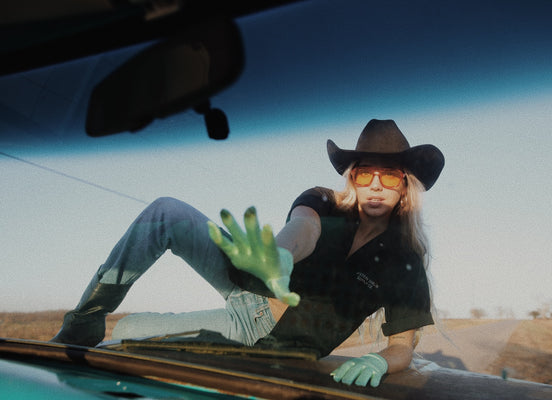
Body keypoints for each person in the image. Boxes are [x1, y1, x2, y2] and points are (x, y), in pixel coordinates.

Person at [51, 119, 444, 388]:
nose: (376, 185)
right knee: (165, 211)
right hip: (252, 280)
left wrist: (379, 361)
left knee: (128, 332)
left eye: (389, 175)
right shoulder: (324, 201)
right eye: (365, 173)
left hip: (259, 328)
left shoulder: (404, 261)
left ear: (404, 185)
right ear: (352, 178)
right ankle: (84, 320)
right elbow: (303, 228)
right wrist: (281, 257)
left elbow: (400, 346)